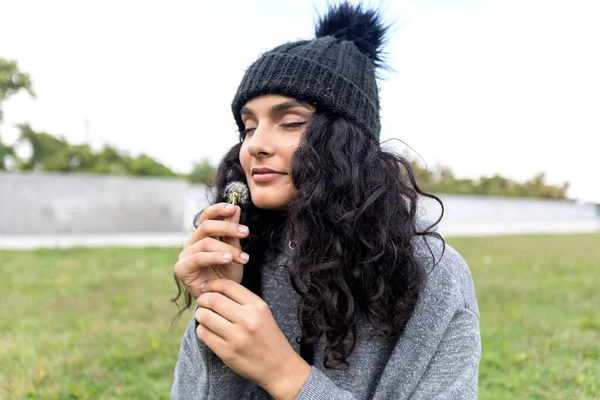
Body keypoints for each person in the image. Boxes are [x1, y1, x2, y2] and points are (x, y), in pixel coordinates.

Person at [170, 3, 481, 399]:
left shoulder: (433, 275)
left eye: (291, 122)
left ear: (346, 141)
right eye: (248, 127)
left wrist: (288, 376)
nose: (255, 146)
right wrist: (220, 301)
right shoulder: (245, 257)